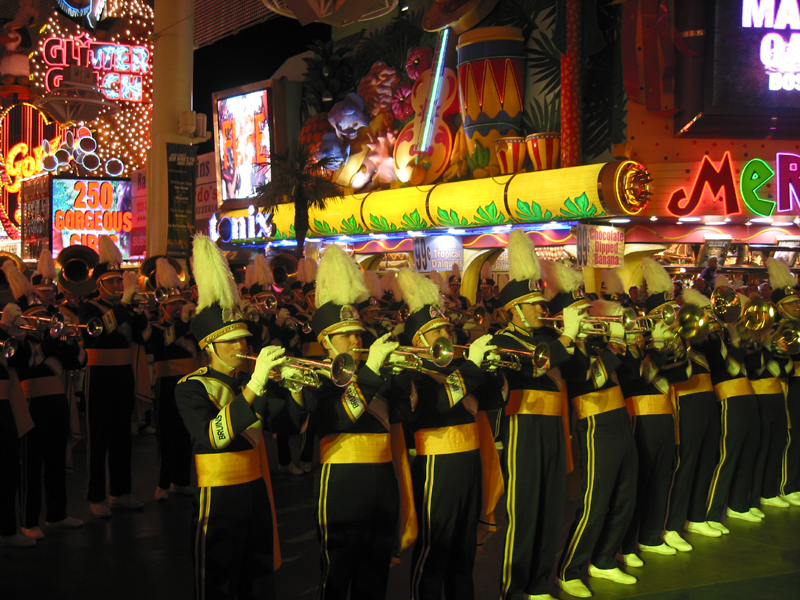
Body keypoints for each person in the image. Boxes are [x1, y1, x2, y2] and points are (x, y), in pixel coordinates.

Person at [176, 233, 308, 600]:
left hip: (256, 493)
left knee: (259, 582)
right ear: (208, 346)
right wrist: (255, 387)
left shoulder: (251, 382)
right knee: (217, 586)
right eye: (230, 340)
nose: (241, 346)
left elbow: (287, 426)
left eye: (243, 339)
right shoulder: (191, 387)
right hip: (217, 500)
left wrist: (294, 387)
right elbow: (212, 436)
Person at [305, 244, 416, 600]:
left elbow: (404, 415)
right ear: (325, 342)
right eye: (345, 335)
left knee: (375, 577)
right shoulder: (315, 377)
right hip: (341, 485)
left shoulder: (373, 371)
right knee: (337, 578)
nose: (356, 340)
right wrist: (369, 374)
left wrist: (398, 375)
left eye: (357, 333)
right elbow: (339, 417)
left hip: (383, 480)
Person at [394, 268, 506, 600]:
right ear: (418, 341)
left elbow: (495, 400)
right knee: (435, 550)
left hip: (470, 463)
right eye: (435, 330)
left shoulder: (459, 368)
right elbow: (439, 403)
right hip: (436, 470)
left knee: (464, 551)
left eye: (445, 326)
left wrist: (492, 368)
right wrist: (472, 367)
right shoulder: (413, 373)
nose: (446, 333)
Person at [493, 230, 582, 600]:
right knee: (525, 510)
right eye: (532, 305)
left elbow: (573, 373)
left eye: (540, 303)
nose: (541, 310)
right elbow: (535, 366)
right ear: (513, 310)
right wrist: (566, 339)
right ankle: (514, 590)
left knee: (550, 507)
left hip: (551, 429)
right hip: (522, 429)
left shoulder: (544, 336)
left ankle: (538, 583)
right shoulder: (505, 339)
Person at [550, 260, 639, 598]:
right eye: (581, 313)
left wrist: (628, 345)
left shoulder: (598, 343)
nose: (589, 317)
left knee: (624, 497)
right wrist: (615, 348)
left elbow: (629, 378)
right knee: (595, 501)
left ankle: (603, 559)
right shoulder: (566, 351)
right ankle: (568, 569)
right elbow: (590, 382)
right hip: (593, 423)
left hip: (619, 418)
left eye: (587, 311)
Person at [80, 235, 151, 517]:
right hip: (98, 376)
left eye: (119, 281)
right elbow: (95, 333)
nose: (117, 285)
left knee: (123, 437)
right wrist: (123, 307)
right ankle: (96, 498)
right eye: (111, 282)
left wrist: (141, 312)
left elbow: (144, 338)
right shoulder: (89, 307)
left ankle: (120, 493)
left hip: (123, 375)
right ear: (99, 285)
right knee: (99, 438)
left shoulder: (127, 308)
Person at [618, 260, 679, 562]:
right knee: (638, 482)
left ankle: (653, 535)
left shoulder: (671, 339)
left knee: (661, 478)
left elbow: (685, 375)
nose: (669, 319)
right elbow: (637, 377)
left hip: (665, 412)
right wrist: (652, 346)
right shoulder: (638, 337)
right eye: (664, 314)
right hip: (639, 414)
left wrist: (677, 348)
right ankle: (627, 545)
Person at [662, 288, 722, 546]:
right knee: (685, 465)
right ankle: (672, 525)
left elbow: (721, 365)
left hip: (708, 399)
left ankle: (696, 516)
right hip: (686, 402)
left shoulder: (704, 342)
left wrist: (719, 333)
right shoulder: (673, 339)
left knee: (707, 459)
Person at [148, 258, 199, 501]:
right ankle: (162, 484)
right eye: (173, 305)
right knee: (166, 436)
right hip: (167, 385)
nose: (178, 308)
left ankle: (181, 480)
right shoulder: (157, 327)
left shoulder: (189, 327)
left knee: (185, 434)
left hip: (190, 383)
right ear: (163, 309)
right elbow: (158, 344)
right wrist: (184, 324)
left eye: (181, 304)